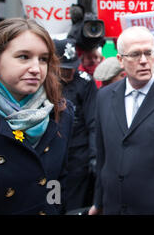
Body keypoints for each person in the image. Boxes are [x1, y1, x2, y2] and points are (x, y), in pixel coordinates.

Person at [89, 26, 154, 215]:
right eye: (136, 54)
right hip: (113, 207)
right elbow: (103, 156)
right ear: (121, 60)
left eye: (148, 53)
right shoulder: (104, 97)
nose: (144, 61)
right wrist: (98, 202)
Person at [0, 18, 74, 214]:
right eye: (23, 57)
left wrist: (53, 209)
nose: (35, 68)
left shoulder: (61, 113)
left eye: (43, 59)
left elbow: (57, 183)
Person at [54, 39, 98, 212]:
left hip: (78, 156)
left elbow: (93, 121)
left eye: (72, 67)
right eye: (65, 68)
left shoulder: (85, 82)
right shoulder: (43, 82)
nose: (70, 72)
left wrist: (94, 155)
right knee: (53, 202)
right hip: (53, 156)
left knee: (75, 206)